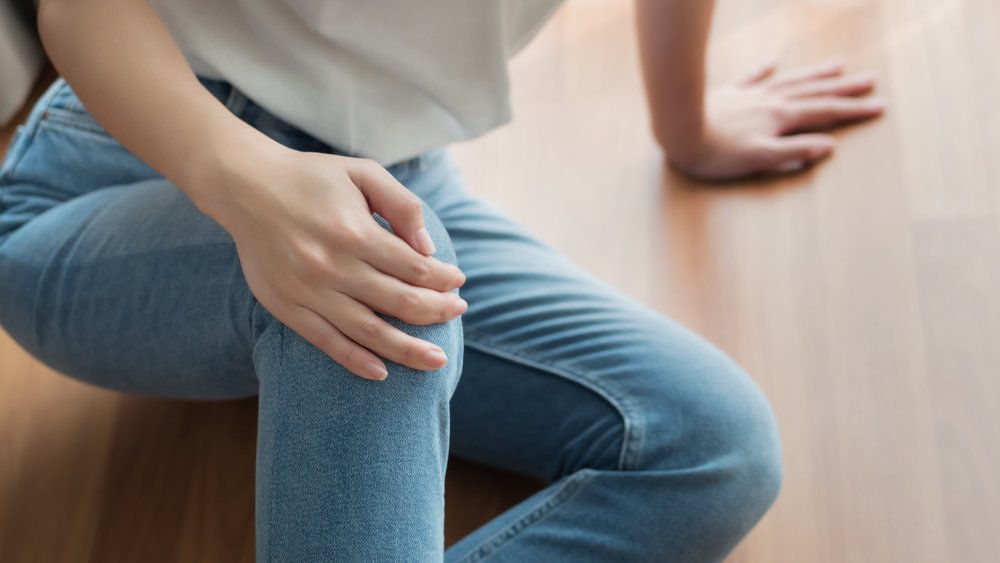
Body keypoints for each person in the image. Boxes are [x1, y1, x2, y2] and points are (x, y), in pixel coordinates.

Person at [0, 0, 882, 561]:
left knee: (710, 448)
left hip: (396, 172)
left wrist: (686, 127)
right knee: (371, 272)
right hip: (131, 162)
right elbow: (80, 10)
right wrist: (246, 187)